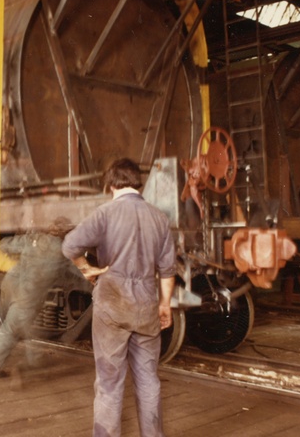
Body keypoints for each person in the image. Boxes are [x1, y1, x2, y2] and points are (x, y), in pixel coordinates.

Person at [62, 158, 176, 437]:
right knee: (149, 381)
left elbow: (69, 245)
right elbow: (168, 271)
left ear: (111, 184)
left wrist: (86, 268)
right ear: (138, 183)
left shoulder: (105, 213)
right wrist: (165, 305)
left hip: (112, 305)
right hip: (147, 305)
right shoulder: (159, 218)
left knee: (110, 384)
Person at [0, 216, 76, 398]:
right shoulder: (63, 250)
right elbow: (76, 274)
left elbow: (7, 244)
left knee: (1, 326)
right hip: (26, 296)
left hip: (10, 285)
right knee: (8, 336)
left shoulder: (34, 238)